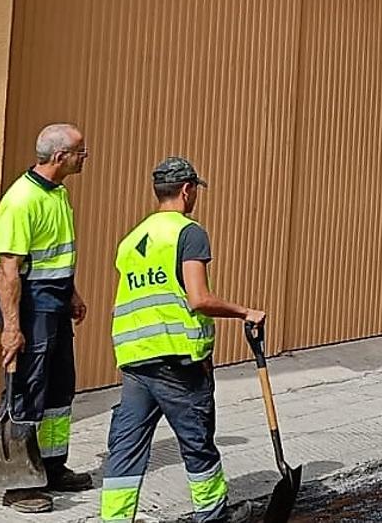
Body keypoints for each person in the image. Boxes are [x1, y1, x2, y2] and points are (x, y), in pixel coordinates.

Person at [100, 158, 265, 523]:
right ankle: (212, 514)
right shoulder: (189, 233)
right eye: (195, 191)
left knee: (127, 446)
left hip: (135, 359)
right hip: (177, 360)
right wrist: (244, 312)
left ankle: (114, 518)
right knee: (197, 442)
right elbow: (199, 298)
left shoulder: (131, 240)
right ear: (188, 190)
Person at [0, 123, 92, 514]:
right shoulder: (21, 200)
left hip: (53, 299)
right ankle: (18, 484)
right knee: (27, 387)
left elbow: (55, 255)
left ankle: (51, 466)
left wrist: (72, 293)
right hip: (27, 302)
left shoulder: (57, 193)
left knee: (59, 385)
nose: (85, 157)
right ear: (59, 157)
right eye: (81, 152)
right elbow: (9, 269)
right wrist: (12, 329)